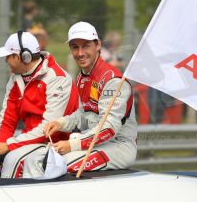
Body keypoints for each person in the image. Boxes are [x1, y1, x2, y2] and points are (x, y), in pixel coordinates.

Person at [26, 21, 137, 176]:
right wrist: (61, 123)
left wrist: (73, 145)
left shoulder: (113, 80)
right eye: (75, 47)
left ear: (97, 45)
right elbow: (83, 116)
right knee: (38, 159)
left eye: (85, 46)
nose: (80, 53)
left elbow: (109, 128)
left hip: (119, 145)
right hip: (95, 142)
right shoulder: (82, 77)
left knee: (57, 165)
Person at [0, 31, 79, 178]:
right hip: (29, 141)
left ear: (23, 57)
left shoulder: (58, 78)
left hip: (55, 143)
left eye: (8, 56)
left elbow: (47, 129)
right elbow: (7, 120)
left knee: (13, 160)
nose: (6, 60)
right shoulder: (15, 78)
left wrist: (8, 146)